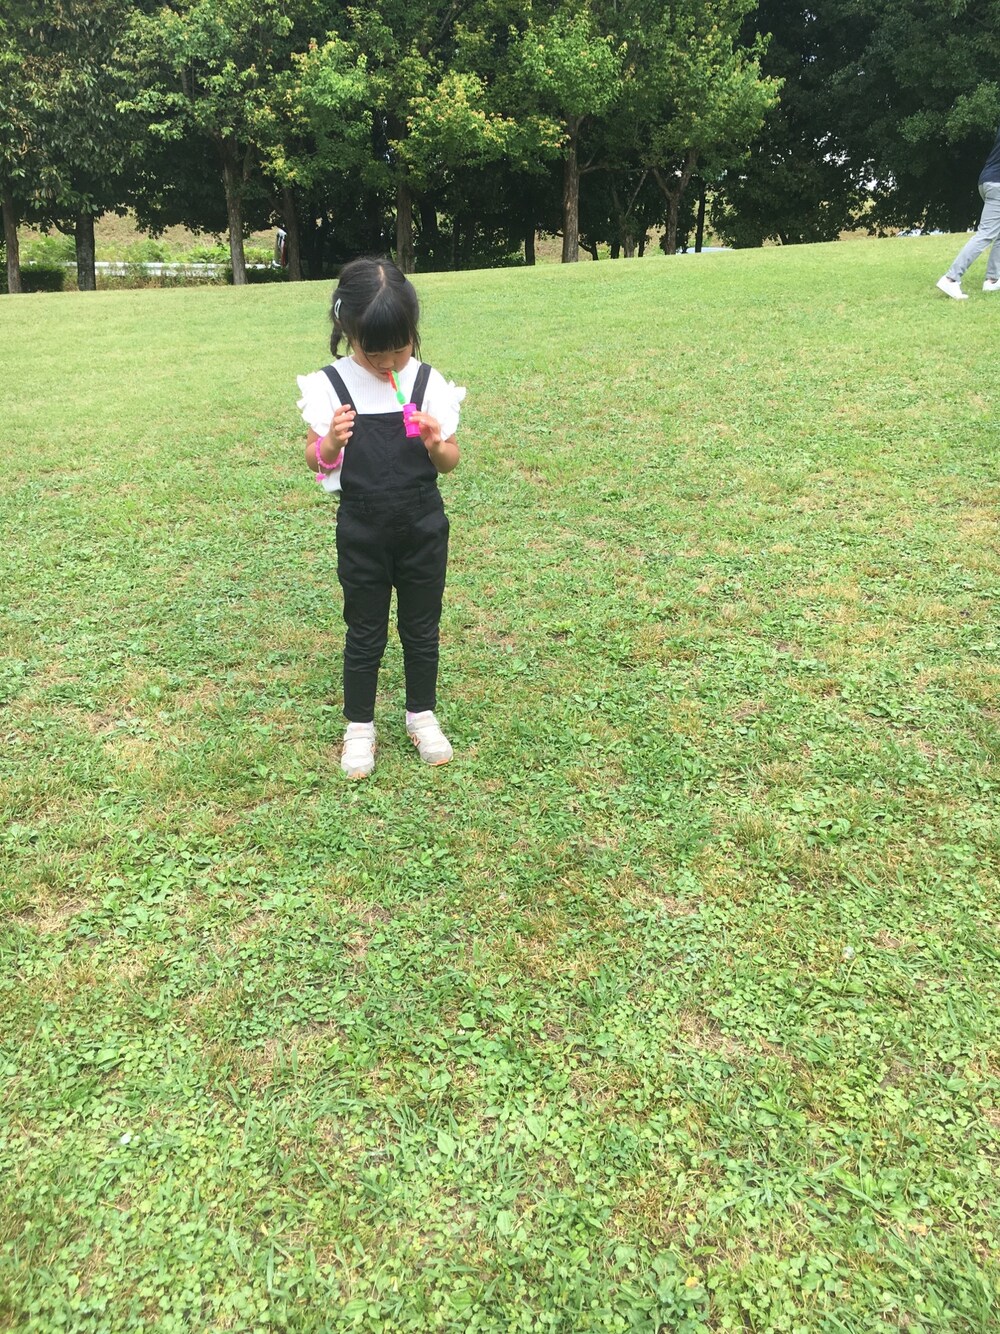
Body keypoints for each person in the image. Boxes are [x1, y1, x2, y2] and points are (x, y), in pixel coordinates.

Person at [297, 258, 464, 779]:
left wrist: (436, 444)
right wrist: (330, 442)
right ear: (349, 333)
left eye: (401, 346)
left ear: (413, 332)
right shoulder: (331, 386)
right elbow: (315, 459)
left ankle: (422, 715)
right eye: (376, 351)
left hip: (423, 528)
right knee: (364, 630)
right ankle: (360, 726)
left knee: (422, 627)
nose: (390, 360)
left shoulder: (427, 383)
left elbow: (450, 461)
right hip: (362, 531)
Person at [936, 122, 1000, 300]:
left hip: (987, 182)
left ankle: (993, 280)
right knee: (986, 233)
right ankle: (950, 279)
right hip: (998, 184)